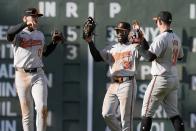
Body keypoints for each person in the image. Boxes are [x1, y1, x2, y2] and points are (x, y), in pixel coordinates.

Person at [7, 7, 63, 131]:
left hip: (38, 74)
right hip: (21, 75)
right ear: (25, 18)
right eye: (33, 16)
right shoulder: (18, 34)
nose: (36, 19)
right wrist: (24, 24)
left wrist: (54, 43)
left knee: (42, 108)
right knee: (27, 114)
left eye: (37, 17)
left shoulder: (40, 34)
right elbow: (9, 33)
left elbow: (45, 53)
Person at [84, 21, 147, 131]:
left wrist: (140, 35)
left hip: (128, 83)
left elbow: (146, 51)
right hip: (115, 82)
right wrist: (90, 42)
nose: (119, 33)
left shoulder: (134, 46)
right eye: (117, 31)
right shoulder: (112, 47)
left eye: (122, 31)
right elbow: (97, 57)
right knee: (106, 113)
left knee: (126, 121)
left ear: (128, 32)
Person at [135, 11, 185, 131]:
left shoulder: (161, 38)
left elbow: (149, 57)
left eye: (156, 21)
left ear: (161, 21)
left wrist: (137, 46)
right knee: (174, 113)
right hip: (173, 79)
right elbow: (180, 57)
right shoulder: (176, 38)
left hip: (161, 78)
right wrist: (142, 40)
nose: (156, 23)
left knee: (146, 112)